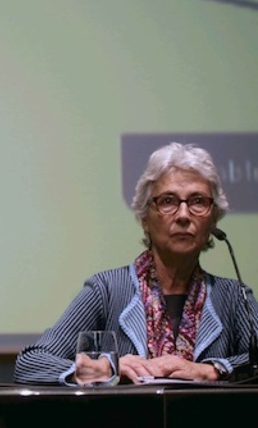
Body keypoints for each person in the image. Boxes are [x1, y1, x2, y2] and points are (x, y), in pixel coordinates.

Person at [13, 142, 258, 386]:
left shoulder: (235, 298)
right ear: (144, 217)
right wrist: (102, 368)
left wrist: (215, 370)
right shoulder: (107, 290)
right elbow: (30, 363)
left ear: (213, 218)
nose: (183, 215)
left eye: (198, 202)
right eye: (168, 201)